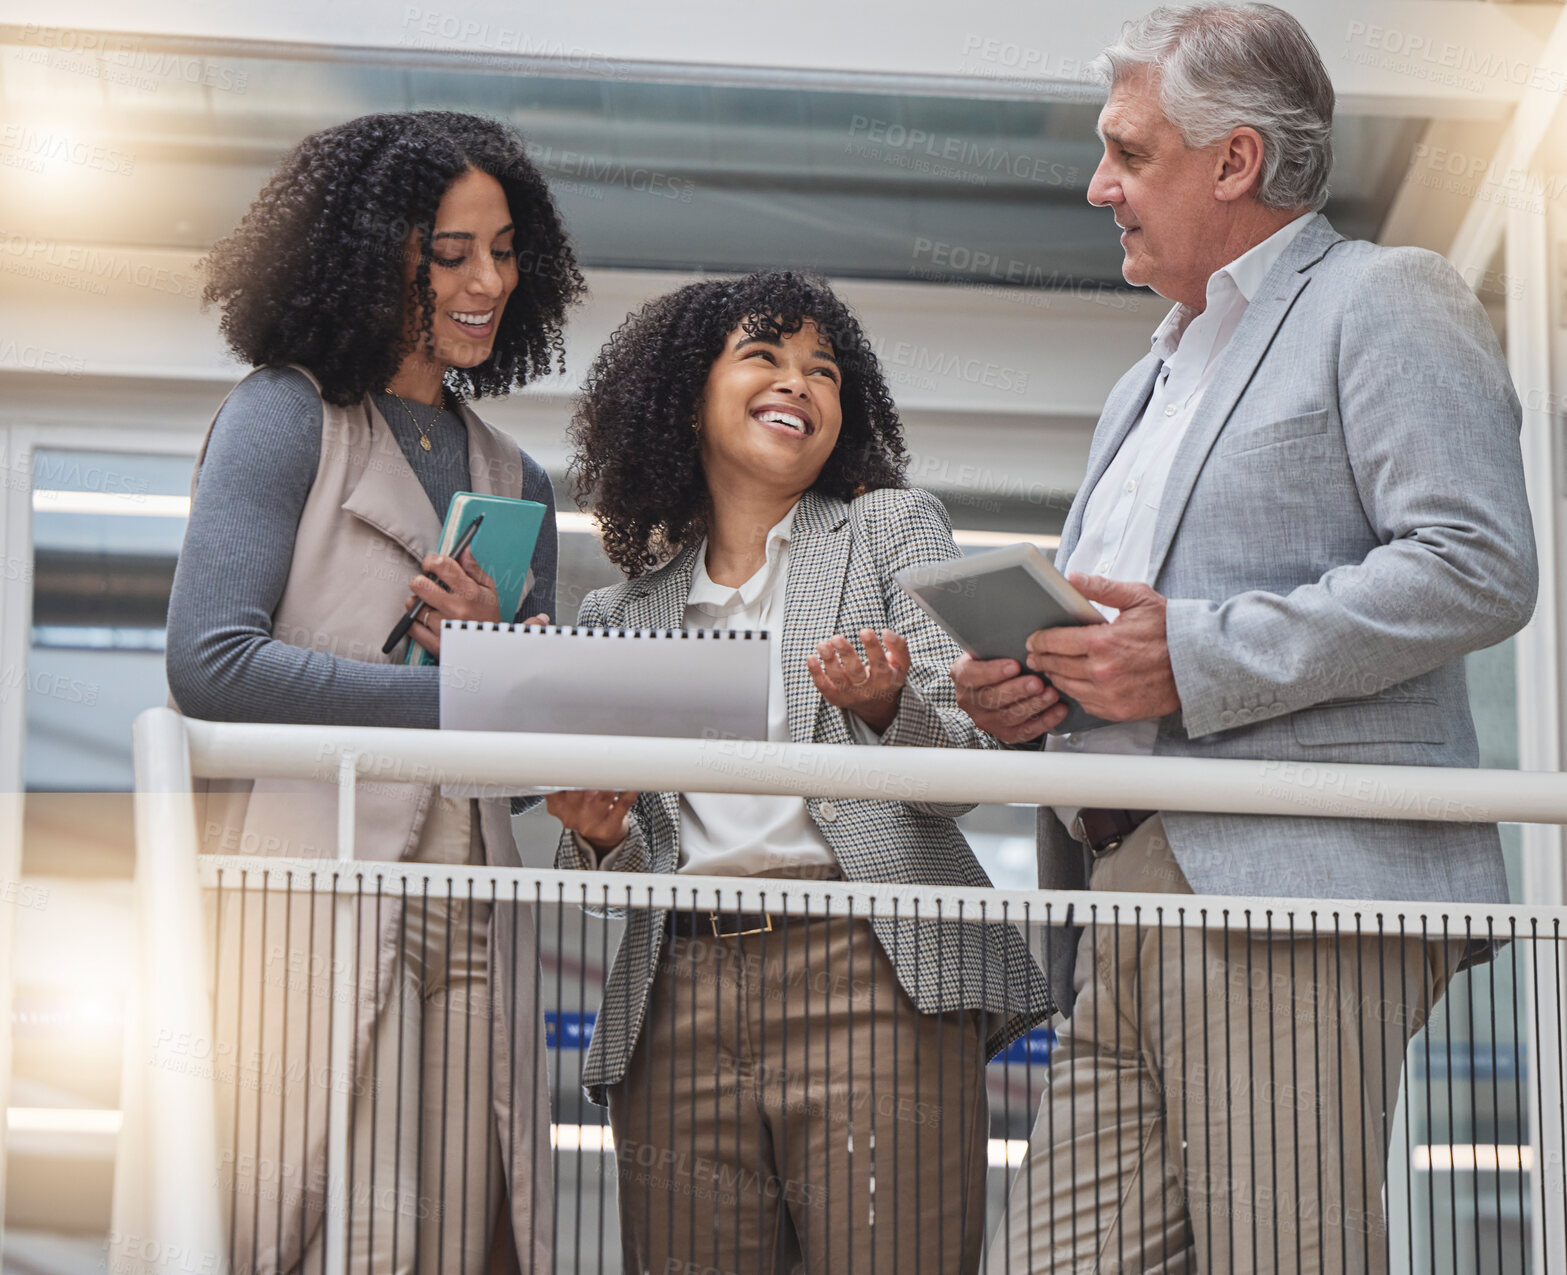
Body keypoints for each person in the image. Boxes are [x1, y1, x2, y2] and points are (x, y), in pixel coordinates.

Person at [951, 6, 1537, 1272]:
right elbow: (1129, 631)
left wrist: (1192, 655)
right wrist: (1039, 686)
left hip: (1284, 884)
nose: (1096, 184)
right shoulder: (1143, 381)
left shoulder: (1383, 298)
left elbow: (1476, 565)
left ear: (1235, 162)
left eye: (1129, 152)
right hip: (1118, 893)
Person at [546, 270, 1050, 1275]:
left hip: (869, 972)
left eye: (824, 370)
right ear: (687, 392)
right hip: (676, 994)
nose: (801, 383)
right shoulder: (619, 617)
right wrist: (598, 838)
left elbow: (970, 761)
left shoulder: (886, 532)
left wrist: (885, 709)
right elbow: (625, 865)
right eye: (766, 357)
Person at [163, 110, 585, 1275]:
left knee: (452, 1238)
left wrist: (508, 673)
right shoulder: (283, 415)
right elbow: (212, 664)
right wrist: (471, 698)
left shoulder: (518, 478)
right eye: (449, 253)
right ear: (365, 253)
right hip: (311, 884)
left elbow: (528, 748)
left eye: (503, 250)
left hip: (475, 908)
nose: (486, 279)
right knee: (346, 1230)